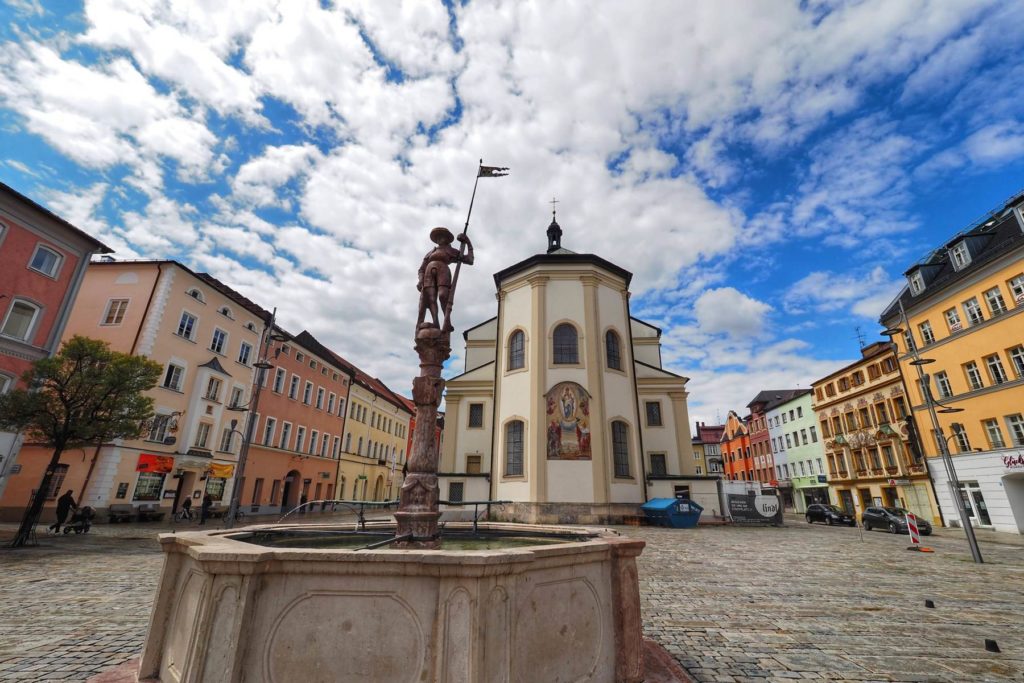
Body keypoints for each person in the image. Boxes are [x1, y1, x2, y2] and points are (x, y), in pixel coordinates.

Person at [416, 227, 474, 332]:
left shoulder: (450, 250)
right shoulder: (430, 252)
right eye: (437, 236)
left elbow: (469, 260)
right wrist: (420, 280)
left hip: (443, 270)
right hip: (428, 274)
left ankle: (447, 321)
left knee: (443, 295)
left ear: (447, 238)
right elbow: (421, 269)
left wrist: (468, 242)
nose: (439, 238)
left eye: (441, 236)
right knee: (431, 298)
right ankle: (436, 323)